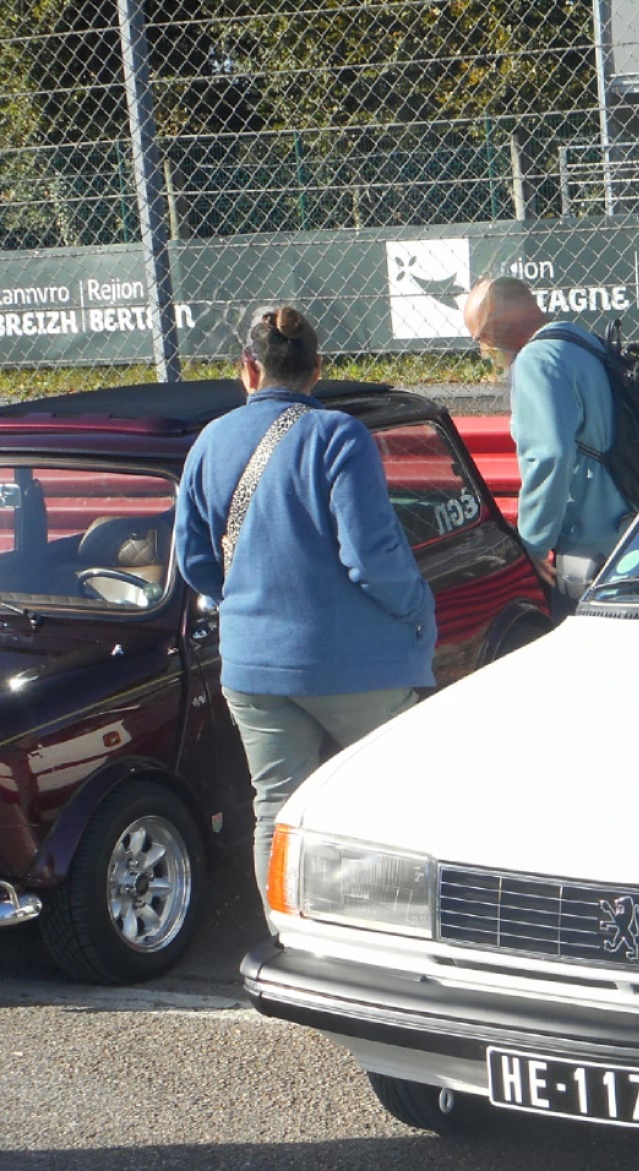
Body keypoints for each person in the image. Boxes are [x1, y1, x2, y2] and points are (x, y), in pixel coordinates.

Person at [173, 305, 436, 895]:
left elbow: (194, 562)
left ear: (247, 369)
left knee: (277, 808)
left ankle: (283, 936)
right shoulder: (340, 435)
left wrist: (249, 602)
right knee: (390, 800)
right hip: (355, 663)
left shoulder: (209, 442)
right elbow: (371, 558)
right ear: (318, 369)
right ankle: (384, 937)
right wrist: (416, 609)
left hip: (252, 665)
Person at [460, 276, 630, 608]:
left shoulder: (536, 360)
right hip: (633, 527)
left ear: (499, 322)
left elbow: (549, 456)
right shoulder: (580, 340)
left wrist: (533, 548)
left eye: (481, 337)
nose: (485, 349)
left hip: (590, 550)